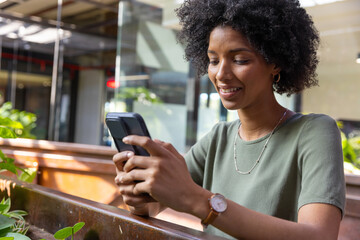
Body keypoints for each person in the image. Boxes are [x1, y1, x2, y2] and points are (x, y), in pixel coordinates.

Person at [113, 0, 346, 239]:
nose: (221, 74)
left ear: (275, 63)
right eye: (213, 60)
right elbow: (154, 206)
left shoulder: (315, 132)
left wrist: (199, 201)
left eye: (240, 60)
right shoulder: (218, 138)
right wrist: (139, 194)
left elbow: (319, 235)